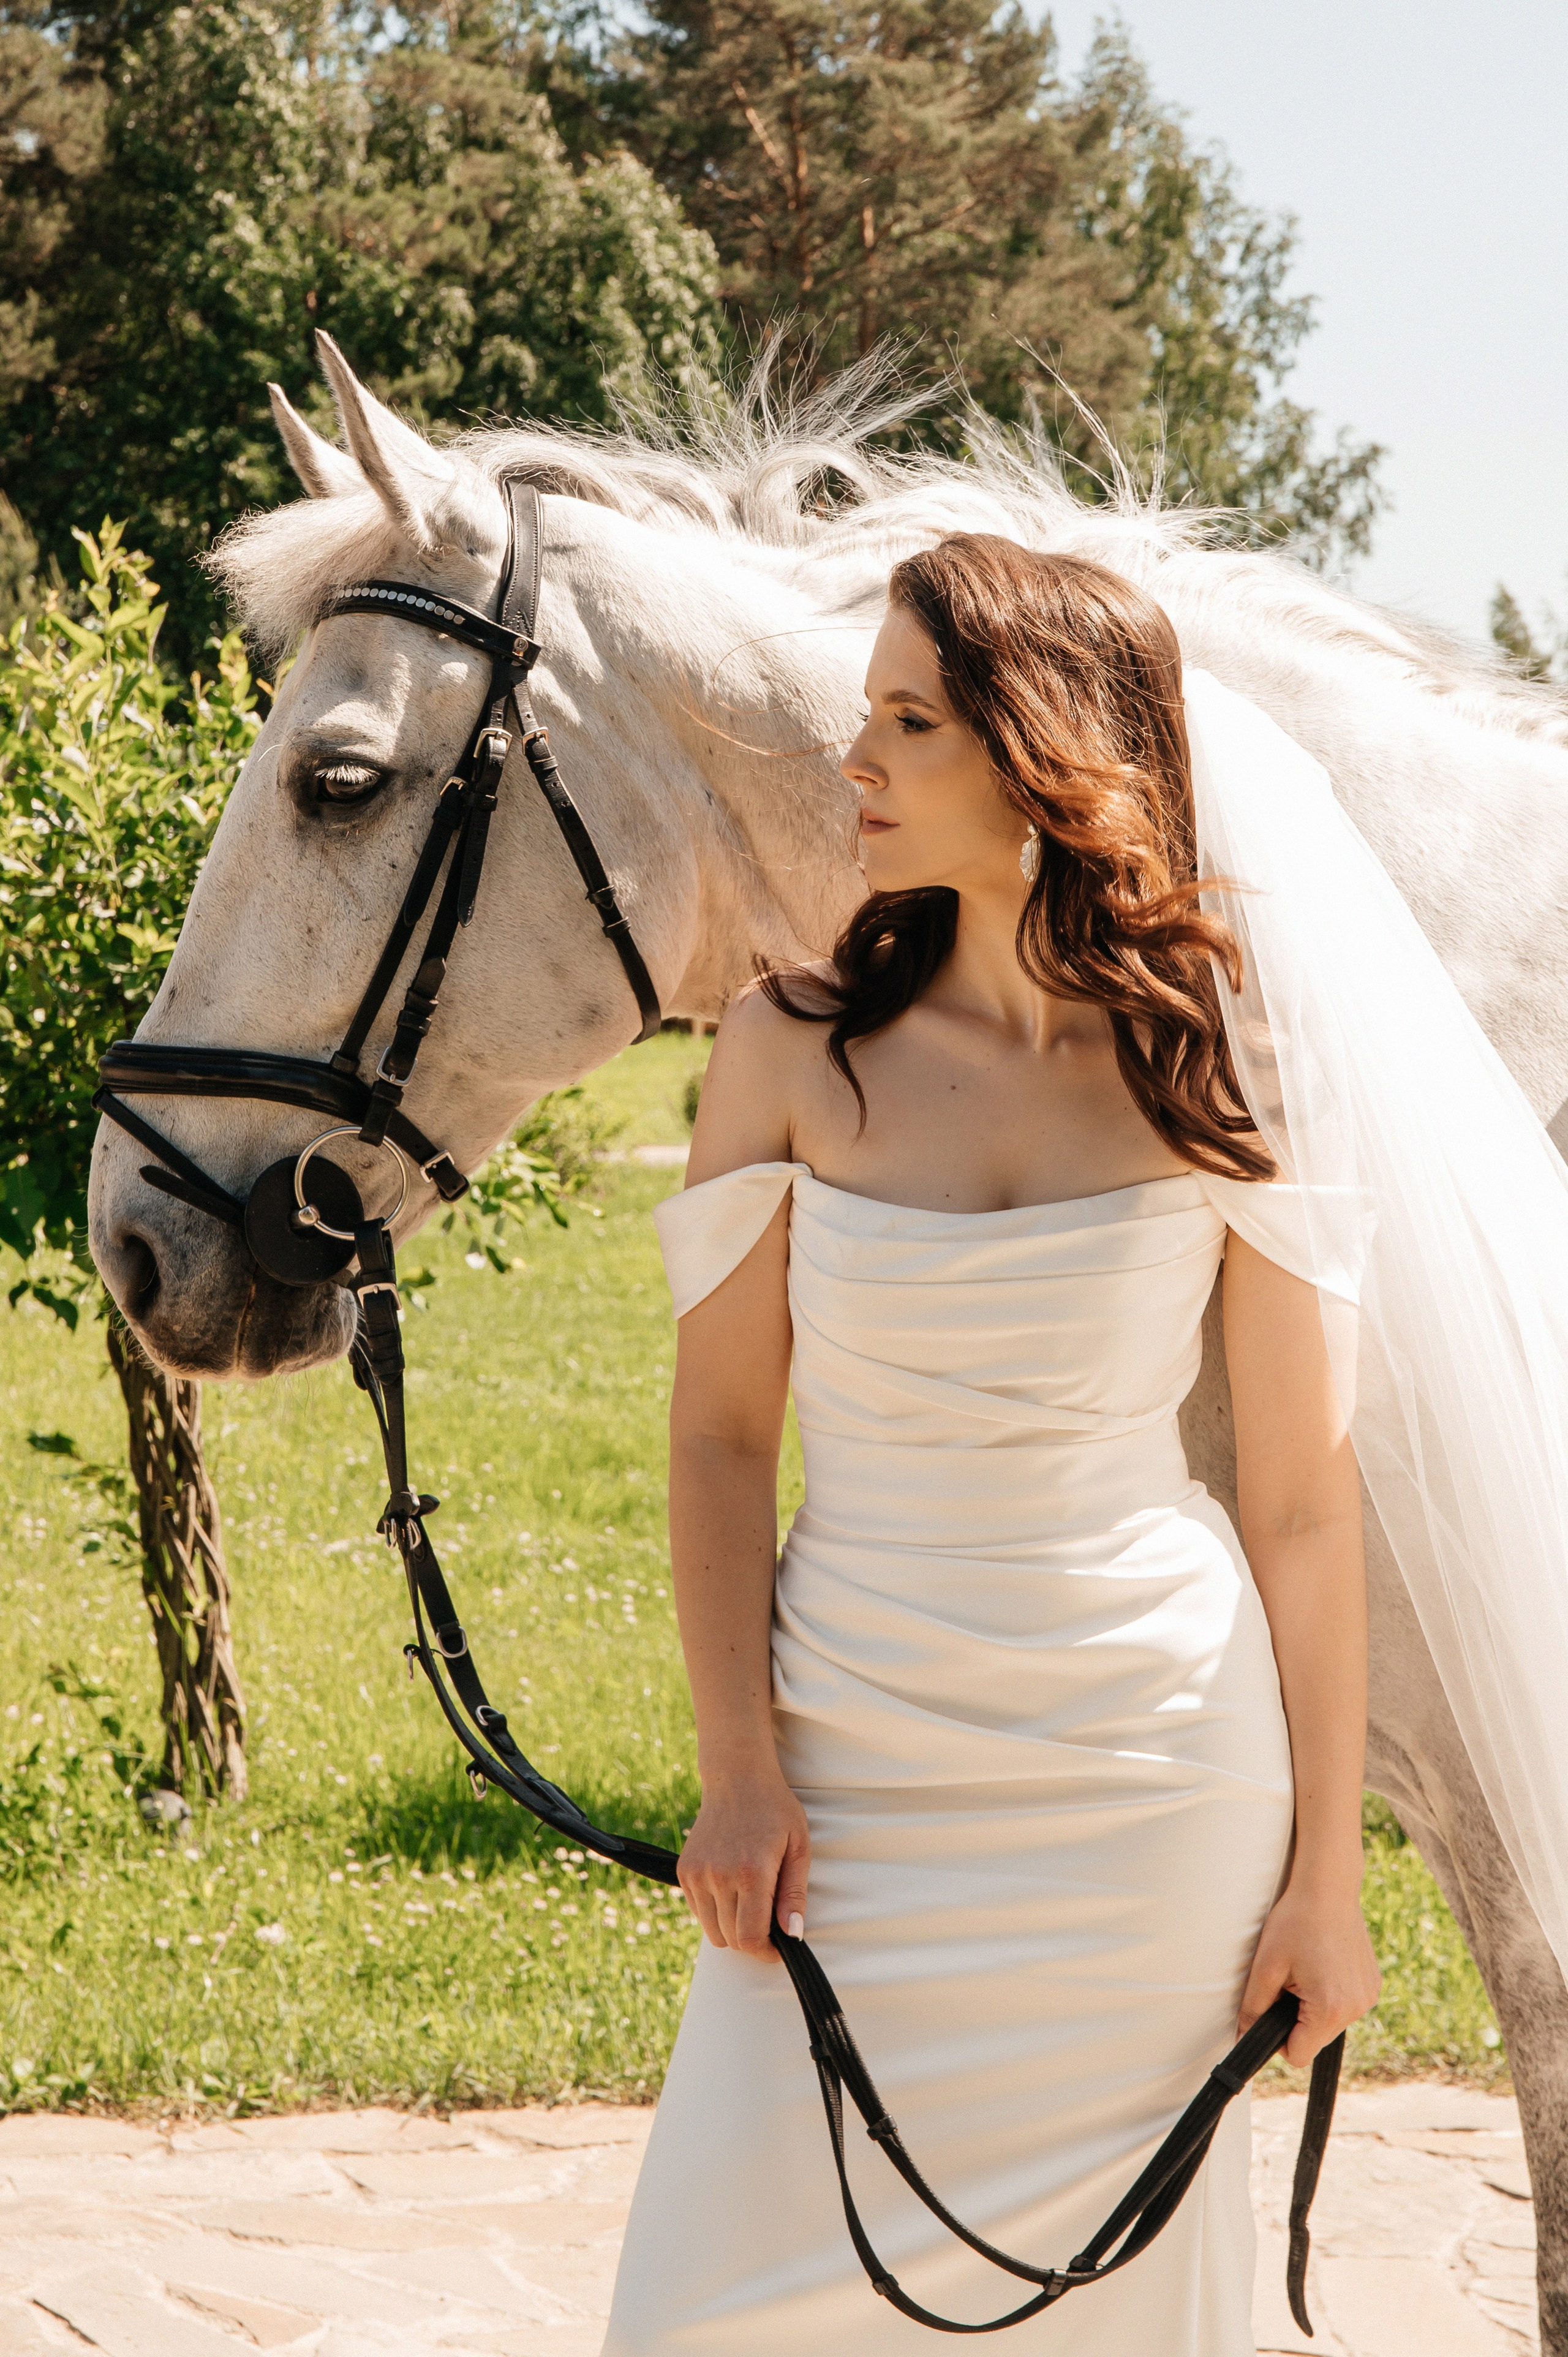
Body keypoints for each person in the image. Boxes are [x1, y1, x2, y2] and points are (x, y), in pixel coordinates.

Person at [601, 535, 1381, 2356]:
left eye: (908, 722)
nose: (854, 766)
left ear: (1042, 761)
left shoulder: (1229, 1057)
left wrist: (1324, 1883)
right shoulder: (791, 1044)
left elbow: (1301, 1499)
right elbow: (720, 1440)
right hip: (846, 1769)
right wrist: (740, 1767)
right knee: (716, 2305)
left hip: (1153, 1785)